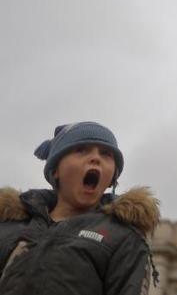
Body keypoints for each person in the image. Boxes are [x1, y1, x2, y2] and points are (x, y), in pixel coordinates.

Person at [0, 121, 160, 295]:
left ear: (112, 178)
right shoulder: (9, 227)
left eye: (106, 154)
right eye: (81, 150)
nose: (95, 158)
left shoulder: (124, 238)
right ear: (56, 171)